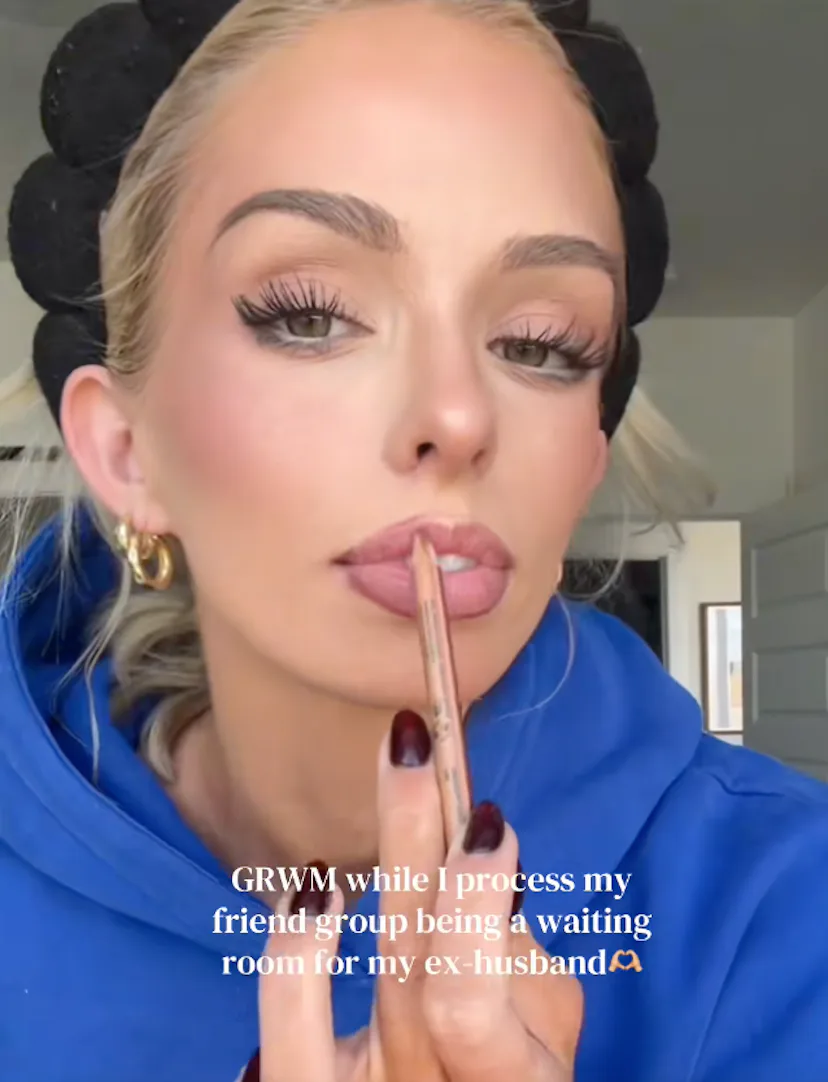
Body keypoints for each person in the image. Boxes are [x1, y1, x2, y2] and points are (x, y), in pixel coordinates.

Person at [1, 0, 827, 1079]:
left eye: (541, 342)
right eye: (308, 313)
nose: (460, 414)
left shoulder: (791, 911)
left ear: (585, 458)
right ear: (126, 450)